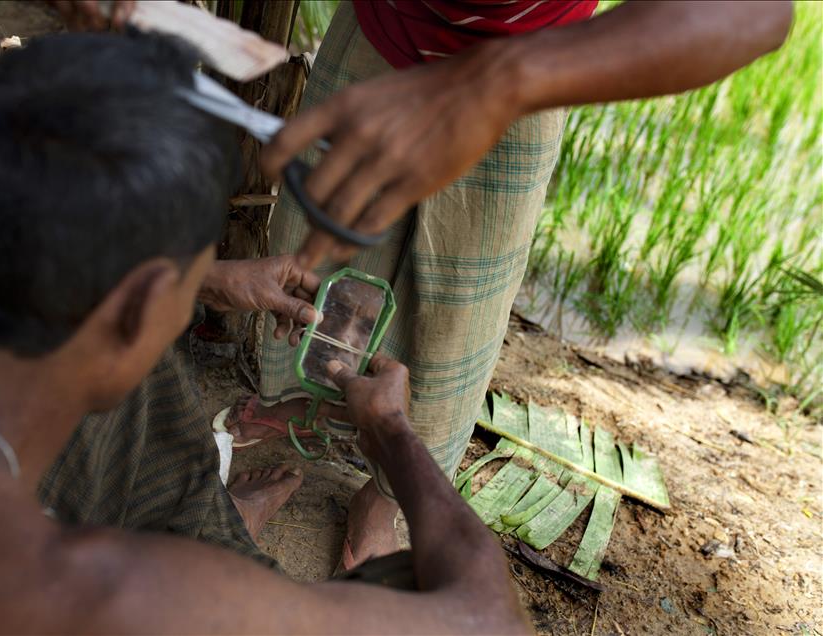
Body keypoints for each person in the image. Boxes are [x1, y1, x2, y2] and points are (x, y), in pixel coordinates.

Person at [0, 29, 532, 633]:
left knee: (119, 383)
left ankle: (197, 520)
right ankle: (204, 534)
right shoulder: (105, 595)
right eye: (187, 288)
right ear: (140, 301)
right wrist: (391, 433)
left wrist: (209, 277)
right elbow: (487, 618)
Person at [222, 0, 795, 570]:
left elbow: (757, 12)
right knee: (319, 255)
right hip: (387, 24)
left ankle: (384, 502)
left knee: (458, 317)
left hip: (531, 61)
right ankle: (307, 406)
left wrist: (499, 80)